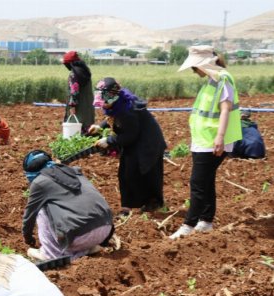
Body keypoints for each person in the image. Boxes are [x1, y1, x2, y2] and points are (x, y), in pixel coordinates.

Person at [170, 46, 243, 240]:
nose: (194, 71)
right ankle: (206, 221)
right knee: (206, 180)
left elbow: (225, 109)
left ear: (203, 64)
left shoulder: (222, 79)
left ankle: (188, 225)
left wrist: (219, 136)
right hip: (203, 139)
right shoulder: (212, 80)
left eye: (195, 67)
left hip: (213, 140)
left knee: (198, 182)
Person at [90, 77, 167, 214]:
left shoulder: (128, 110)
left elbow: (130, 135)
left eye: (103, 102)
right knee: (126, 173)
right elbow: (113, 119)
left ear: (112, 97)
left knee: (146, 172)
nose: (102, 105)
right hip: (136, 141)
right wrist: (100, 126)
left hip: (148, 143)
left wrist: (109, 141)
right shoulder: (117, 104)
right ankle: (128, 205)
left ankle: (153, 203)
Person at [21, 150, 114, 262]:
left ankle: (50, 254)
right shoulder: (74, 172)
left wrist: (28, 239)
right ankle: (87, 249)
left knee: (42, 209)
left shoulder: (39, 182)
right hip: (105, 230)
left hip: (78, 238)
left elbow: (30, 215)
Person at [62, 51, 95, 134]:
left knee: (75, 127)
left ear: (70, 63)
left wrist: (73, 106)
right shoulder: (85, 72)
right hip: (88, 104)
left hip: (78, 107)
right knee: (87, 126)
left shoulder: (74, 74)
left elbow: (74, 90)